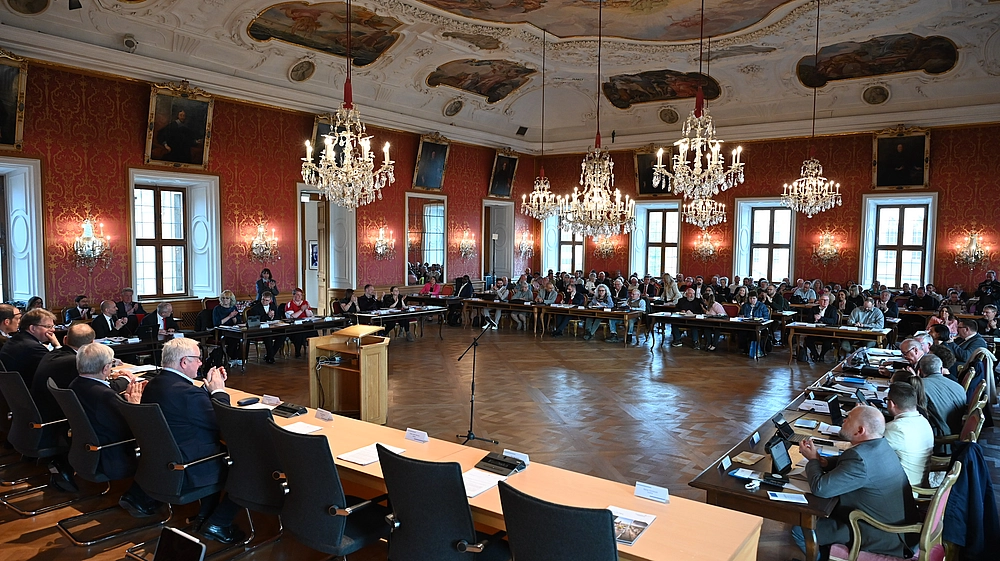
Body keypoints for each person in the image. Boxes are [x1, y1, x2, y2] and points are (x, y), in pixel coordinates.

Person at [141, 338, 244, 543]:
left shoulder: (154, 384)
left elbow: (187, 410)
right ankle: (218, 523)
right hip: (192, 467)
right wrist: (219, 391)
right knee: (250, 465)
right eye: (198, 358)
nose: (201, 363)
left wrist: (206, 389)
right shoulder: (187, 394)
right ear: (184, 362)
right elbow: (224, 423)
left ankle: (205, 516)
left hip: (163, 464)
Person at [794, 405, 916, 559]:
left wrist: (812, 460)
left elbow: (820, 488)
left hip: (881, 532)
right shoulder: (880, 445)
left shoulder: (859, 459)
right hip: (895, 523)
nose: (843, 420)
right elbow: (850, 465)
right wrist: (822, 461)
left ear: (860, 430)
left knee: (801, 530)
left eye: (848, 418)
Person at [69, 343, 160, 517]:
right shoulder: (105, 396)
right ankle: (139, 497)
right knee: (159, 443)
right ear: (106, 368)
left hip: (86, 451)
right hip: (111, 455)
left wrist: (123, 397)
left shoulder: (75, 384)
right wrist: (135, 404)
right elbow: (137, 430)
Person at [31, 323, 97, 423]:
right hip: (59, 417)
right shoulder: (75, 362)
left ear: (65, 339)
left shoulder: (51, 354)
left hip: (41, 412)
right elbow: (93, 390)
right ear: (92, 344)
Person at [883, 382, 934, 489]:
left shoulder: (896, 428)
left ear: (891, 403)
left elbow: (868, 450)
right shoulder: (923, 420)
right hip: (919, 481)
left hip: (905, 489)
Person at [0, 307, 58, 386]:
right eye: (48, 326)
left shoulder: (16, 339)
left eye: (53, 326)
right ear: (32, 328)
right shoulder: (34, 348)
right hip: (28, 390)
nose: (53, 330)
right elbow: (57, 368)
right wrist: (57, 346)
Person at [916, 354, 967, 438]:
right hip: (958, 432)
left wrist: (916, 381)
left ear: (920, 371)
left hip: (938, 436)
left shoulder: (920, 386)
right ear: (941, 369)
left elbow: (917, 415)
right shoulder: (959, 387)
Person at [247, 291, 282, 363]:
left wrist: (273, 317)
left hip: (272, 327)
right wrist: (267, 316)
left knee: (282, 335)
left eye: (267, 300)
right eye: (263, 299)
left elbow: (278, 317)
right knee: (268, 336)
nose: (264, 302)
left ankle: (269, 355)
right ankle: (270, 358)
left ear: (270, 300)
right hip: (260, 330)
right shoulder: (255, 308)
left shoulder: (273, 306)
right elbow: (256, 320)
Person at [804, 293, 839, 362]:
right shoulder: (814, 309)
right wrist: (814, 319)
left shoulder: (832, 309)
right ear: (819, 301)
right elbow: (808, 320)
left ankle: (822, 355)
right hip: (815, 331)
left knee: (827, 343)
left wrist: (821, 318)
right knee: (808, 341)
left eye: (827, 300)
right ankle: (815, 354)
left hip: (827, 332)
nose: (825, 302)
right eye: (823, 300)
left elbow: (833, 321)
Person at [213, 290, 243, 366]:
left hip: (232, 329)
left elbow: (237, 322)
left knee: (242, 337)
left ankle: (240, 358)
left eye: (227, 298)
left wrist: (233, 317)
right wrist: (229, 316)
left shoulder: (233, 308)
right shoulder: (217, 309)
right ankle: (233, 358)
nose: (225, 300)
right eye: (223, 298)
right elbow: (217, 323)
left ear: (231, 299)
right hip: (221, 331)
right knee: (232, 338)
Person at [285, 287, 318, 355]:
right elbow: (292, 317)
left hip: (305, 324)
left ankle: (315, 350)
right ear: (293, 295)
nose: (300, 297)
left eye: (301, 295)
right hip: (295, 326)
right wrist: (301, 310)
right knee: (299, 333)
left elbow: (310, 315)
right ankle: (298, 352)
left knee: (314, 331)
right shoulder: (289, 304)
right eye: (298, 295)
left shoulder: (305, 303)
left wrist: (306, 309)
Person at [739, 292, 770, 357]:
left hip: (758, 325)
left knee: (754, 333)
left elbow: (766, 317)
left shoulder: (762, 306)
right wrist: (741, 316)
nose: (752, 300)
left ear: (757, 298)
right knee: (741, 331)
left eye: (754, 298)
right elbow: (740, 314)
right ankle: (745, 349)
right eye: (750, 298)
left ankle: (756, 350)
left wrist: (760, 319)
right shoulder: (745, 305)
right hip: (746, 324)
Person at [699, 287, 727, 352]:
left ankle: (714, 345)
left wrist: (714, 317)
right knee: (706, 328)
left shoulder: (716, 305)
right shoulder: (709, 306)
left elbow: (722, 315)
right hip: (711, 323)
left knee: (717, 329)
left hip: (720, 323)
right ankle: (709, 343)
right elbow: (709, 313)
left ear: (705, 300)